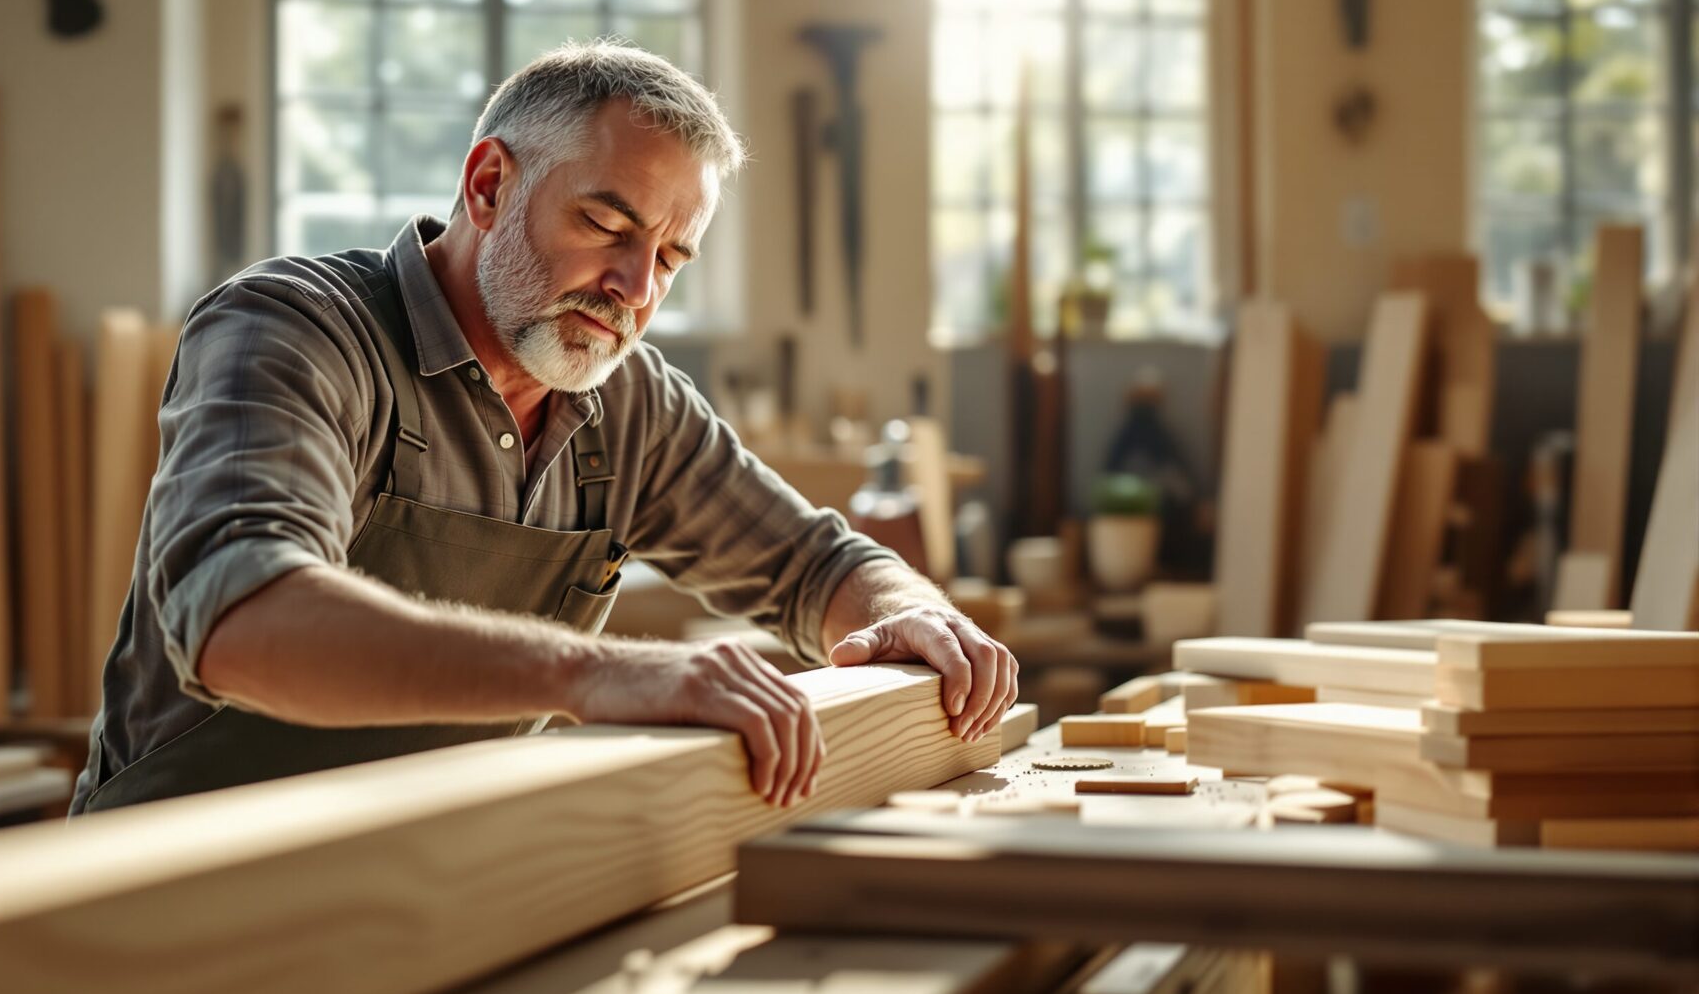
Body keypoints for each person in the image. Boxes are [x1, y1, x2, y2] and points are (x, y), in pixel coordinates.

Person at [70, 41, 1018, 816]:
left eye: (670, 258)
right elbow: (246, 618)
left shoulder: (631, 402)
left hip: (423, 887)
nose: (636, 290)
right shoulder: (297, 328)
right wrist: (595, 674)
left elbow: (816, 566)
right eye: (607, 224)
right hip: (176, 892)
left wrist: (912, 615)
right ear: (488, 187)